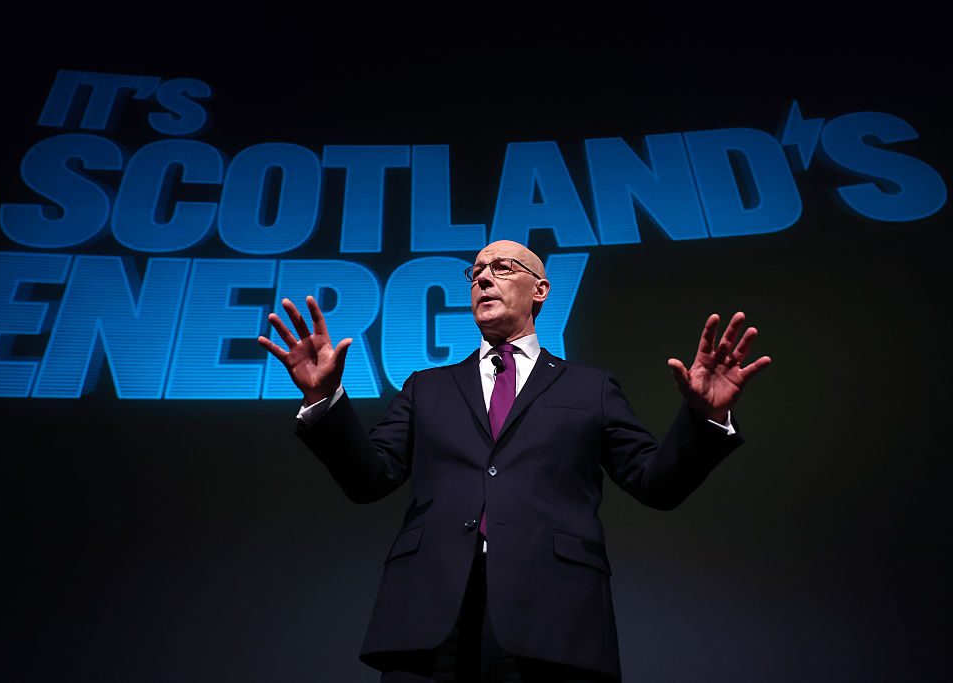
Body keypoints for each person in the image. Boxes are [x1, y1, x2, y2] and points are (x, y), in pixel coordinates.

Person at [258, 240, 770, 682]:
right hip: (429, 619)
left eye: (501, 268)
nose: (483, 277)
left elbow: (654, 482)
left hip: (555, 619)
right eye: (475, 272)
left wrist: (705, 416)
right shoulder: (427, 387)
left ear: (540, 290)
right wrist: (325, 400)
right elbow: (369, 478)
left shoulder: (589, 387)